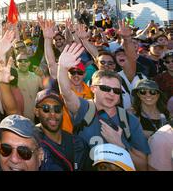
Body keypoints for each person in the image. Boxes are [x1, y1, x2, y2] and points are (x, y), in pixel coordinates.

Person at [57, 43, 150, 171]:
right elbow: (66, 93)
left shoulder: (130, 121)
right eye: (106, 88)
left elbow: (142, 166)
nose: (111, 94)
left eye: (116, 91)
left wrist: (120, 145)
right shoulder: (84, 108)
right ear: (93, 88)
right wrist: (62, 68)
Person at [34, 89, 91, 171]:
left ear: (62, 112)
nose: (53, 114)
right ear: (36, 112)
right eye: (46, 108)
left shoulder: (79, 144)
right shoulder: (32, 143)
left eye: (57, 109)